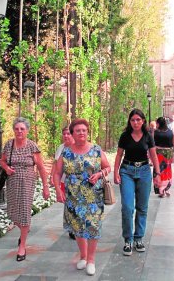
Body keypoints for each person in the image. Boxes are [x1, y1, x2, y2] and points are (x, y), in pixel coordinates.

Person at [53, 119, 111, 276]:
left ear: (87, 132)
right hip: (73, 195)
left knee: (92, 226)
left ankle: (91, 260)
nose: (81, 133)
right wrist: (58, 189)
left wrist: (99, 174)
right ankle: (83, 257)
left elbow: (107, 167)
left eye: (84, 130)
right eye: (77, 130)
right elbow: (57, 173)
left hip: (93, 195)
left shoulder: (96, 149)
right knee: (77, 226)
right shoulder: (66, 152)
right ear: (72, 133)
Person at [0, 117, 50, 262]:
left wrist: (46, 187)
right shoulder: (9, 145)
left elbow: (41, 167)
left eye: (22, 129)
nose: (19, 131)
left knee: (24, 211)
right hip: (12, 182)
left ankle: (22, 246)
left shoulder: (32, 147)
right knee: (13, 212)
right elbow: (2, 161)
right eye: (17, 128)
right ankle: (23, 233)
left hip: (27, 182)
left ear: (27, 130)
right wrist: (6, 168)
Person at [114, 109, 160, 256]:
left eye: (138, 120)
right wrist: (115, 172)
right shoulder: (125, 136)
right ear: (130, 121)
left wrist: (157, 174)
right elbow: (119, 155)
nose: (135, 122)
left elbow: (153, 155)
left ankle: (138, 238)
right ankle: (128, 239)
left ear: (143, 121)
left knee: (142, 207)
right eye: (133, 120)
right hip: (127, 170)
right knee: (127, 207)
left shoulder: (148, 136)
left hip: (144, 171)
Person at [52, 126, 76, 240]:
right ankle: (71, 228)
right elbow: (56, 164)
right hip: (63, 180)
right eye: (64, 134)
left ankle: (76, 226)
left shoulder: (77, 147)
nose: (66, 136)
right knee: (68, 204)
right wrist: (52, 178)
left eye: (68, 134)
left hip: (76, 181)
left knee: (75, 203)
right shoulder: (61, 148)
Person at [153, 117, 174, 197]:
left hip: (158, 153)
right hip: (168, 154)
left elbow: (152, 144)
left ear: (158, 123)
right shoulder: (170, 132)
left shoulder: (155, 133)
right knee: (167, 171)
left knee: (158, 170)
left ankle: (160, 189)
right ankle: (165, 188)